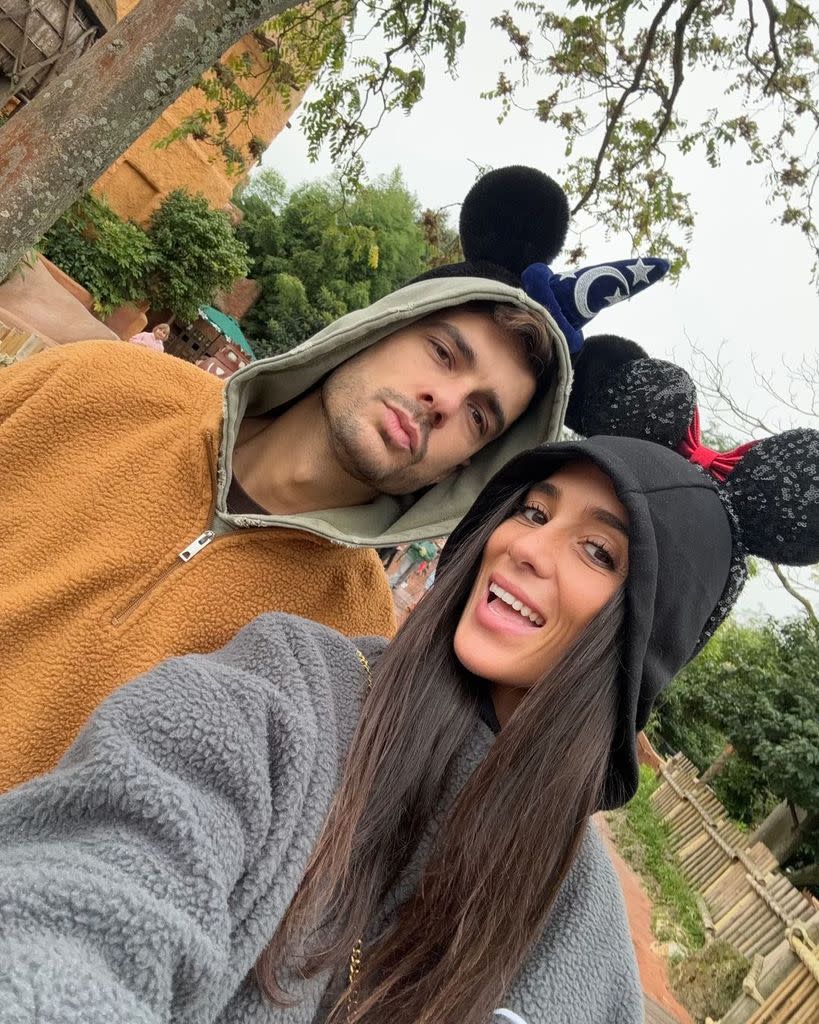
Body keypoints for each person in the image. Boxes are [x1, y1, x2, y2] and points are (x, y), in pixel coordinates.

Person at [1, 347, 816, 1023]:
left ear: (647, 638)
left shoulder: (582, 936)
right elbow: (94, 896)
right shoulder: (285, 691)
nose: (526, 549)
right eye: (531, 512)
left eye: (597, 552)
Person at [0, 165, 668, 792]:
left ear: (467, 466)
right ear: (376, 328)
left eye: (478, 415)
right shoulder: (104, 385)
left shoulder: (347, 644)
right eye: (441, 353)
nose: (443, 400)